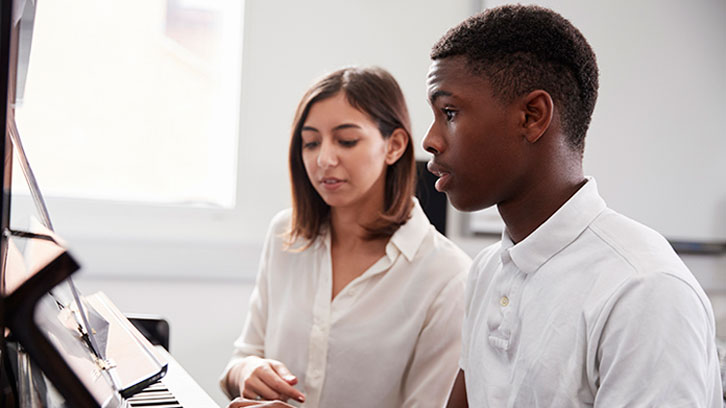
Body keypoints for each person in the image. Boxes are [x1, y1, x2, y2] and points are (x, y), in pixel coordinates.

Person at [421, 4, 723, 407]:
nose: (430, 140)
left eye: (450, 113)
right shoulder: (489, 269)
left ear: (533, 116)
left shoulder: (643, 290)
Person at [220, 66, 471, 408]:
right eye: (310, 143)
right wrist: (248, 371)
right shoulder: (285, 235)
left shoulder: (447, 275)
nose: (324, 159)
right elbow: (243, 357)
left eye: (347, 140)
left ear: (394, 146)